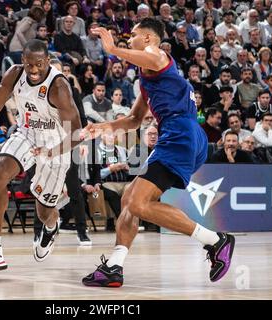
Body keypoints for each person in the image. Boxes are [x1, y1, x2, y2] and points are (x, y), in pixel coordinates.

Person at [82, 18, 235, 287]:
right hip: (179, 135)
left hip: (180, 133)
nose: (129, 40)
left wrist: (112, 48)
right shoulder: (147, 78)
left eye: (134, 36)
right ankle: (114, 266)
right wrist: (104, 126)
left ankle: (215, 240)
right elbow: (133, 119)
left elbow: (146, 57)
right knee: (130, 199)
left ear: (149, 39)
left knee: (139, 203)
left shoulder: (158, 55)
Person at [0, 39, 83, 271]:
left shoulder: (59, 87)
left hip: (56, 142)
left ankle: (52, 226)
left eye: (39, 65)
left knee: (44, 211)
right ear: (22, 60)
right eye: (29, 64)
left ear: (48, 62)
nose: (33, 70)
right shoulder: (14, 74)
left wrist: (51, 151)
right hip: (27, 133)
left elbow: (76, 133)